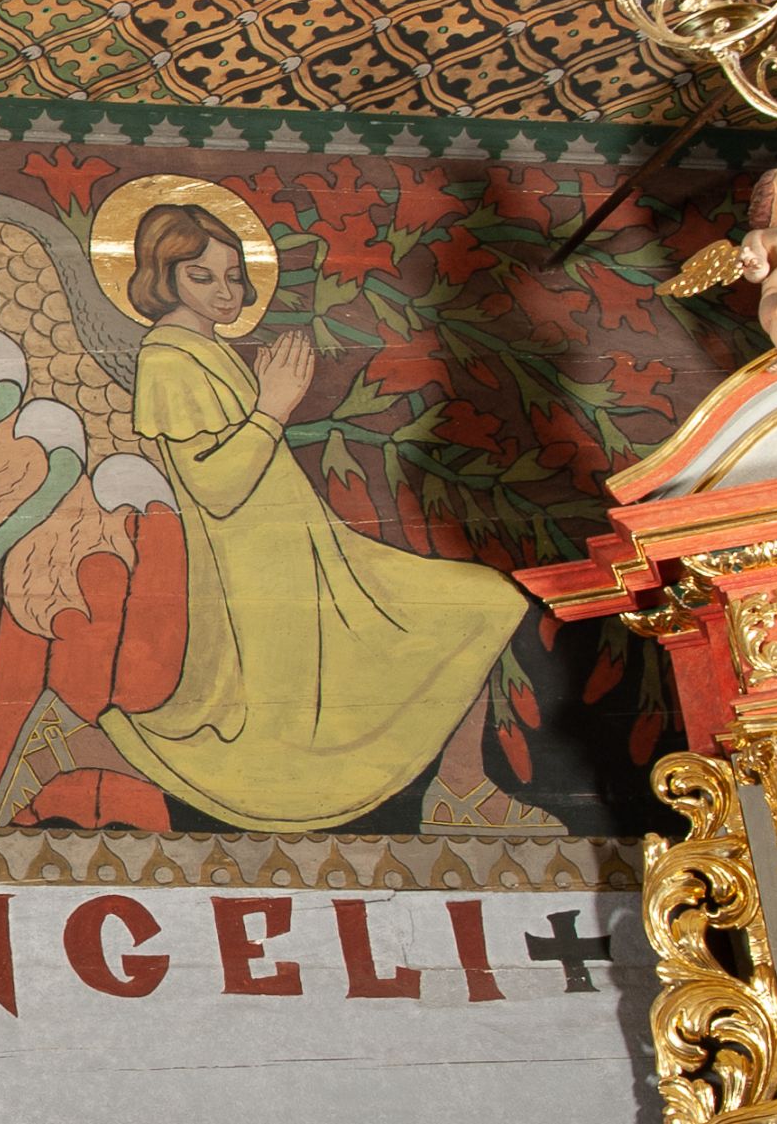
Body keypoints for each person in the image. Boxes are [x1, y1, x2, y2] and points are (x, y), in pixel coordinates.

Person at [90, 202, 544, 831]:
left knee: (484, 601)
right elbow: (215, 488)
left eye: (233, 276)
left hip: (305, 550)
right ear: (161, 277)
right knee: (276, 730)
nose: (225, 292)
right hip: (256, 570)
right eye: (201, 276)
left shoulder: (206, 350)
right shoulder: (168, 359)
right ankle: (458, 790)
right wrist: (273, 407)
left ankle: (460, 786)